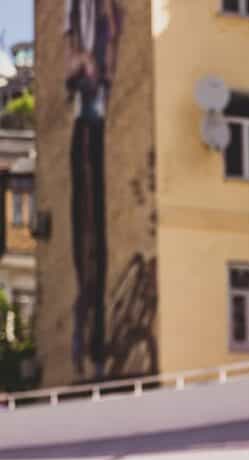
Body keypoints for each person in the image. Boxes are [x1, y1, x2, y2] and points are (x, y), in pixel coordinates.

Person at [65, 0, 120, 379]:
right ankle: (88, 342)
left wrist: (94, 65)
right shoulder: (77, 15)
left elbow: (111, 38)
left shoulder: (106, 18)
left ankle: (95, 345)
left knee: (94, 245)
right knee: (83, 244)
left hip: (95, 129)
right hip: (86, 129)